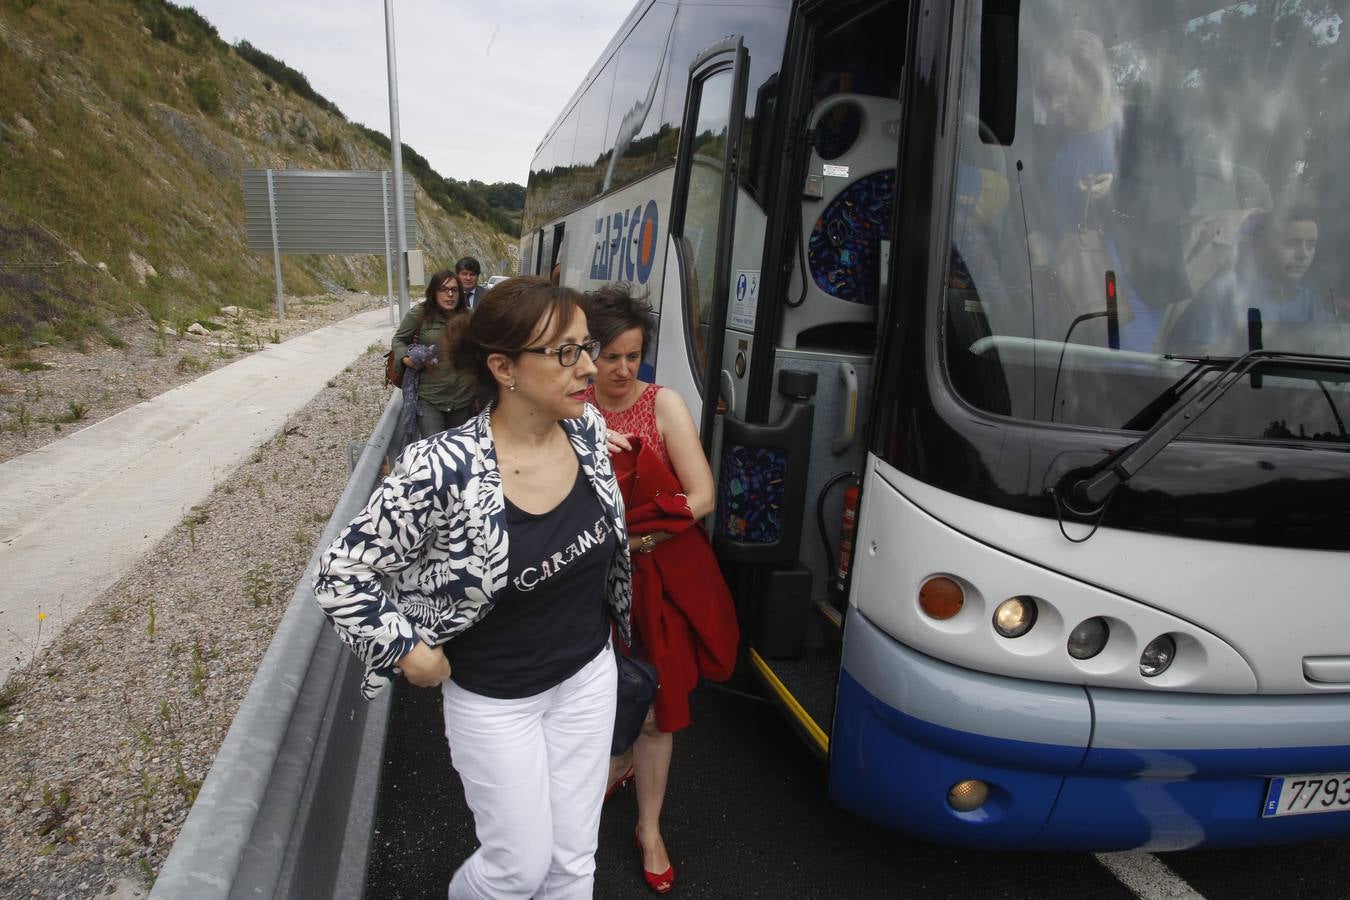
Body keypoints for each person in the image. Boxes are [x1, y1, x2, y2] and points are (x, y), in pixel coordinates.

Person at [315, 276, 631, 899]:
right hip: (497, 699)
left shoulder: (587, 430)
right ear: (503, 368)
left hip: (588, 679)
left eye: (586, 346)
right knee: (517, 868)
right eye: (566, 352)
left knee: (573, 862)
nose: (589, 367)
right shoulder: (440, 467)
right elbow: (342, 572)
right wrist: (407, 649)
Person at [583, 284, 739, 896]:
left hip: (656, 574)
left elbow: (701, 497)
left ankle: (649, 828)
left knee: (657, 705)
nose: (623, 371)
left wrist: (636, 536)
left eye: (633, 356)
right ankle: (614, 762)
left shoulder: (664, 404)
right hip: (588, 579)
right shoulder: (572, 408)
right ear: (582, 354)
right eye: (610, 357)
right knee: (591, 696)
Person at [1030, 30, 1161, 351]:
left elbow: (1171, 203)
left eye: (1064, 91)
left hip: (1123, 303)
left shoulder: (1132, 138)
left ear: (1093, 79)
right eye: (1049, 95)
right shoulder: (1055, 146)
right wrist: (1035, 234)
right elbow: (1046, 210)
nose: (1056, 105)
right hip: (1066, 297)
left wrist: (1119, 191)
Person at [1169, 202, 1339, 354]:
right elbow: (1201, 366)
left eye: (1311, 245)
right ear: (1260, 246)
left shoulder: (1307, 301)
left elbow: (1336, 345)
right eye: (1291, 243)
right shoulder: (1221, 295)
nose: (1303, 255)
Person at [391, 270, 475, 442]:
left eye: (454, 289)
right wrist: (405, 358)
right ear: (434, 292)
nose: (450, 294)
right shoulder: (420, 314)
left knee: (458, 451)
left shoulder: (469, 316)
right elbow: (399, 340)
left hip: (462, 398)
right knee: (434, 450)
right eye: (444, 289)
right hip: (429, 398)